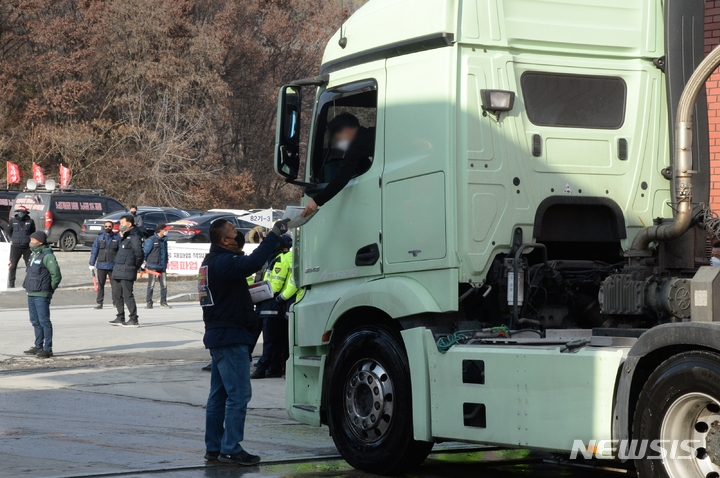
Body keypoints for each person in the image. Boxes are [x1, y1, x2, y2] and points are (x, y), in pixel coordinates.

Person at [200, 217, 289, 465]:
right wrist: (273, 235)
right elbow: (251, 263)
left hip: (219, 335)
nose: (238, 234)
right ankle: (230, 447)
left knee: (219, 396)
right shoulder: (224, 262)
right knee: (239, 395)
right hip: (230, 335)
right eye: (232, 231)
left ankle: (214, 447)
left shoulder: (210, 263)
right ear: (224, 240)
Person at [301, 113, 375, 217]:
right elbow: (364, 165)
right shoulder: (373, 134)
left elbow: (342, 177)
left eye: (339, 138)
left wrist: (316, 200)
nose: (340, 141)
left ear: (346, 130)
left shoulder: (356, 145)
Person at [251, 234, 293, 379]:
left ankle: (263, 368)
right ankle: (274, 368)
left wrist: (257, 294)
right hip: (276, 303)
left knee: (270, 339)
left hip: (272, 303)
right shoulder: (277, 258)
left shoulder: (280, 259)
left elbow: (275, 285)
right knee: (279, 340)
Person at [22, 231, 61, 359]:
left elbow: (56, 275)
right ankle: (38, 345)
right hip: (31, 292)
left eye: (33, 240)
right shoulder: (34, 254)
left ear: (40, 242)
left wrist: (50, 289)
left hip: (42, 293)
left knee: (44, 321)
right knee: (35, 320)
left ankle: (47, 348)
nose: (30, 242)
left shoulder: (48, 256)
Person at [108, 215, 144, 327]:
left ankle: (133, 319)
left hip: (127, 269)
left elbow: (139, 254)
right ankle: (120, 317)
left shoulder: (134, 237)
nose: (120, 225)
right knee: (116, 294)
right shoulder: (124, 236)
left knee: (128, 294)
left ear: (129, 224)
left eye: (122, 223)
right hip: (118, 269)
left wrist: (134, 266)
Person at [89, 221, 120, 309]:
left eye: (109, 226)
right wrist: (91, 263)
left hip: (113, 265)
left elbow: (120, 252)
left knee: (115, 286)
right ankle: (99, 303)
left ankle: (116, 302)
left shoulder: (117, 238)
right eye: (106, 226)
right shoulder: (99, 237)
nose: (107, 227)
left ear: (112, 227)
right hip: (101, 265)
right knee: (101, 285)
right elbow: (94, 251)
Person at [7, 205, 36, 288]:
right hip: (16, 247)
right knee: (12, 266)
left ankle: (28, 282)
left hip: (27, 247)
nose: (21, 213)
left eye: (22, 212)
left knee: (30, 266)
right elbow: (9, 231)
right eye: (19, 212)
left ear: (26, 213)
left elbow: (33, 232)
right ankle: (11, 283)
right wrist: (14, 239)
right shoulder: (13, 221)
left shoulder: (30, 221)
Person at [144, 222, 170, 309]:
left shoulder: (165, 240)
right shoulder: (151, 240)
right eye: (165, 230)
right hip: (153, 266)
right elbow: (145, 252)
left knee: (164, 285)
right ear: (160, 230)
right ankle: (149, 303)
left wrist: (166, 262)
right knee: (151, 285)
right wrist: (144, 263)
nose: (166, 231)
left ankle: (163, 303)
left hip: (162, 266)